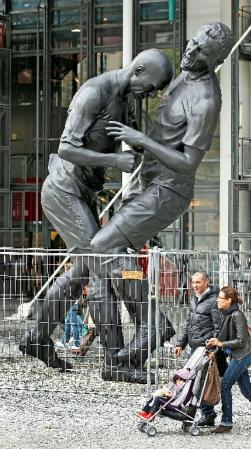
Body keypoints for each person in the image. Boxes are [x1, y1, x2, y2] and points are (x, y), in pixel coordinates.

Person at [19, 49, 174, 379]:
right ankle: (114, 363)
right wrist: (114, 162)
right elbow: (65, 147)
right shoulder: (94, 92)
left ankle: (37, 337)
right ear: (139, 70)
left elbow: (139, 142)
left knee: (81, 272)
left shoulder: (127, 100)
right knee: (102, 270)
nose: (153, 93)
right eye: (153, 86)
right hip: (63, 191)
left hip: (83, 194)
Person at [91, 22, 234, 372]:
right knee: (109, 254)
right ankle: (129, 348)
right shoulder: (185, 73)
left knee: (103, 246)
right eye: (192, 42)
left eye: (201, 52)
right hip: (149, 182)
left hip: (168, 190)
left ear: (217, 60)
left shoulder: (206, 99)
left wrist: (140, 140)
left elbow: (187, 162)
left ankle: (154, 326)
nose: (190, 52)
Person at [206, 286, 251, 433]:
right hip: (238, 356)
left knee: (225, 385)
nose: (217, 300)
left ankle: (226, 423)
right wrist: (216, 344)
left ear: (229, 300)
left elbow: (241, 341)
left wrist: (220, 343)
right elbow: (224, 338)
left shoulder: (237, 315)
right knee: (247, 389)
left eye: (220, 298)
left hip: (242, 356)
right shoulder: (226, 314)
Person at [175, 272, 221, 427]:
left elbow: (218, 328)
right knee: (191, 381)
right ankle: (202, 413)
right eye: (193, 282)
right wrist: (180, 344)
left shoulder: (214, 301)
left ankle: (207, 414)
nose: (195, 285)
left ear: (206, 282)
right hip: (193, 348)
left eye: (198, 282)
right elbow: (188, 324)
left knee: (200, 384)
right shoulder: (195, 299)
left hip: (204, 350)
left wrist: (212, 350)